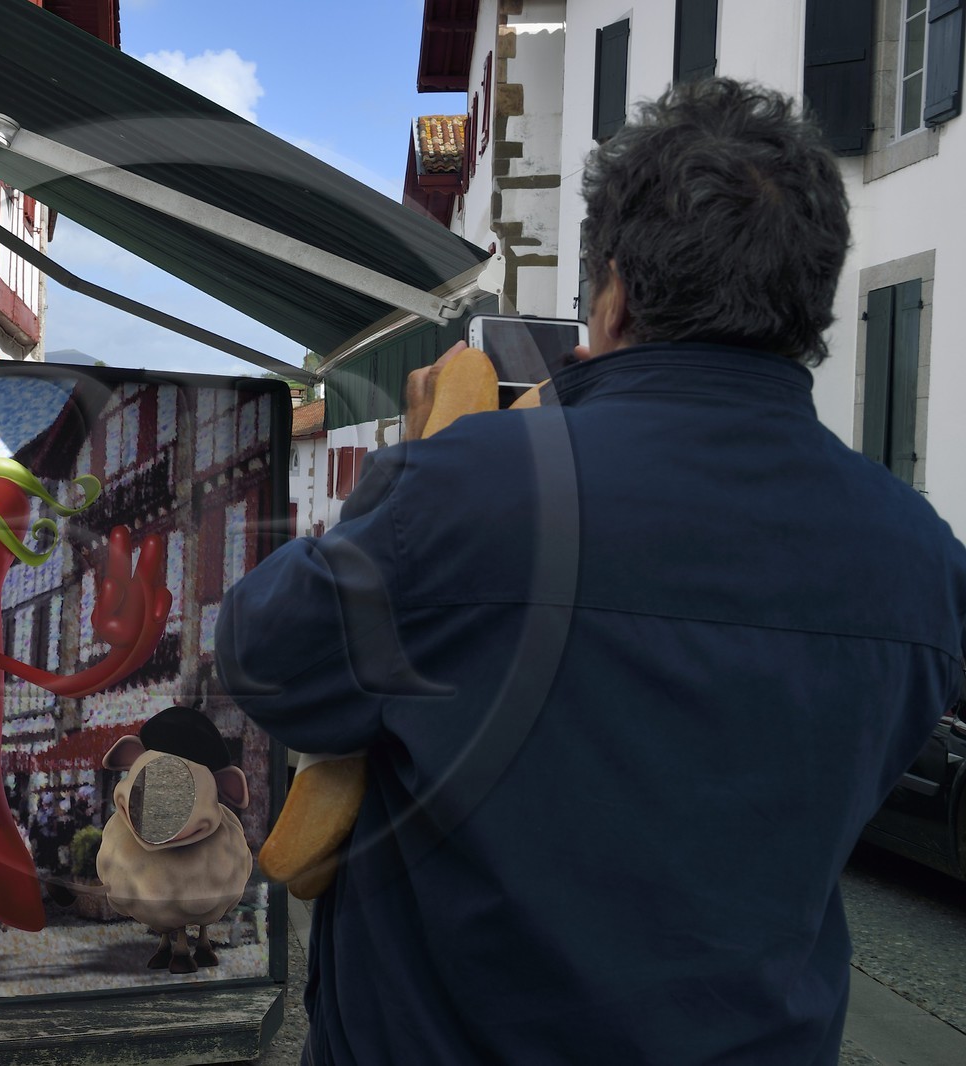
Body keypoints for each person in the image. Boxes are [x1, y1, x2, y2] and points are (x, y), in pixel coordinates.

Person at [216, 78, 966, 1065]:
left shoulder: (466, 488)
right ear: (813, 304)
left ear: (612, 291)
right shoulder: (922, 557)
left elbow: (265, 660)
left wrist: (420, 466)